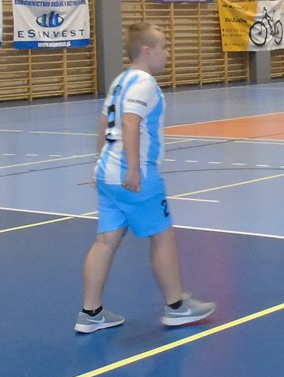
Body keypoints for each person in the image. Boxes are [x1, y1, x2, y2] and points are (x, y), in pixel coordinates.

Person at [77, 24, 215, 334]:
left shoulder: (120, 81)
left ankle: (91, 313)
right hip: (135, 175)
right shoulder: (144, 83)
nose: (167, 53)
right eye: (164, 47)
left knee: (105, 241)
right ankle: (177, 307)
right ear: (147, 51)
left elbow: (103, 123)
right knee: (162, 236)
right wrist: (133, 169)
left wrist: (98, 164)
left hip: (107, 173)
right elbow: (130, 123)